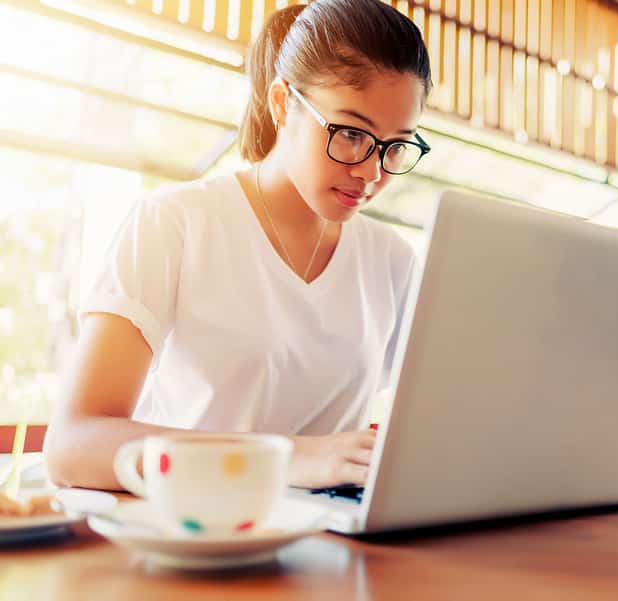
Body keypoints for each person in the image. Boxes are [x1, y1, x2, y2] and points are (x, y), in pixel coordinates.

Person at [44, 0, 433, 491]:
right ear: (282, 102)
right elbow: (73, 445)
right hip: (191, 535)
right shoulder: (175, 223)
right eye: (352, 134)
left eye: (395, 145)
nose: (371, 172)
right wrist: (284, 459)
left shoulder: (394, 261)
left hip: (335, 548)